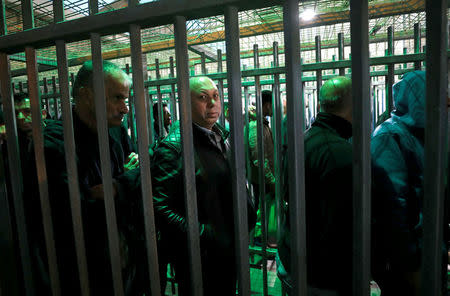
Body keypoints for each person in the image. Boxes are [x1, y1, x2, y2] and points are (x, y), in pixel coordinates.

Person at [25, 60, 145, 295]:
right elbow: (77, 217)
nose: (125, 108)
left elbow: (141, 175)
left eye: (126, 99)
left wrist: (116, 185)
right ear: (86, 95)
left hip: (123, 259)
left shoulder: (115, 129)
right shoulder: (55, 144)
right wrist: (126, 181)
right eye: (117, 98)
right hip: (82, 271)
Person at [151, 76, 256, 296]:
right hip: (200, 258)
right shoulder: (174, 148)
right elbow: (160, 208)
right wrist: (207, 235)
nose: (212, 104)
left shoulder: (221, 135)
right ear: (185, 104)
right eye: (202, 97)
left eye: (216, 96)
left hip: (228, 248)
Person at [371, 70, 449, 296]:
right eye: (440, 94)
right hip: (408, 260)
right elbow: (393, 209)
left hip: (429, 250)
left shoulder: (428, 134)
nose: (446, 100)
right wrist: (409, 264)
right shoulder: (389, 136)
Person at [277, 76, 354, 295]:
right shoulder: (340, 154)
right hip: (322, 275)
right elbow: (340, 227)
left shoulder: (302, 140)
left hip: (294, 256)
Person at [246, 89, 277, 247]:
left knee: (263, 209)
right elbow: (259, 159)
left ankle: (262, 239)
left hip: (264, 178)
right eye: (272, 104)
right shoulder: (255, 127)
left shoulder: (262, 124)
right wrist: (271, 180)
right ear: (266, 105)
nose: (274, 108)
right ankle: (258, 241)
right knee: (261, 209)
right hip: (261, 180)